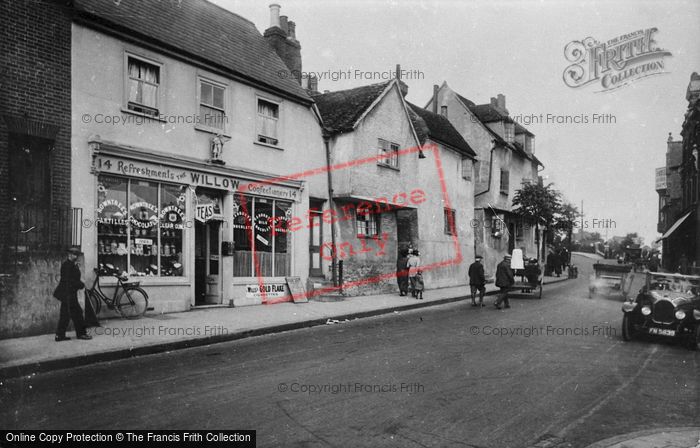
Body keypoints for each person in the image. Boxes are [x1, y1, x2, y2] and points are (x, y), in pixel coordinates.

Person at [53, 246, 92, 341]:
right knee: (77, 313)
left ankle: (60, 335)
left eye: (77, 255)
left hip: (68, 293)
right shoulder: (67, 265)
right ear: (69, 255)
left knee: (65, 315)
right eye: (74, 254)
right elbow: (70, 281)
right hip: (68, 294)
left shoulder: (71, 264)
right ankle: (81, 334)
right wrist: (80, 284)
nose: (76, 256)